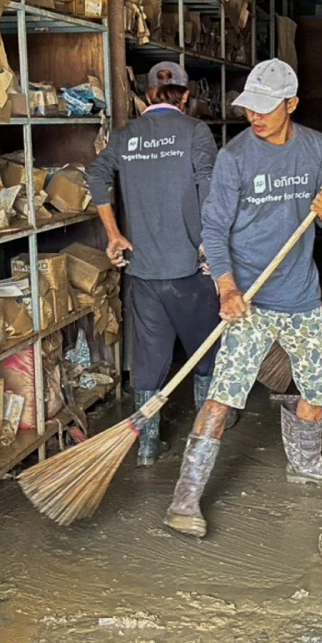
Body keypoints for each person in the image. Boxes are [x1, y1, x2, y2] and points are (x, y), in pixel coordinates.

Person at [164, 59, 322, 539]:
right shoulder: (235, 157)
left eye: (266, 108)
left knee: (318, 388)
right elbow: (213, 229)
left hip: (300, 294)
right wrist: (227, 287)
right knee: (224, 395)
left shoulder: (316, 148)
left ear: (291, 104)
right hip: (248, 297)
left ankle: (306, 464)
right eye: (250, 107)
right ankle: (185, 497)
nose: (255, 116)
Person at [87, 62, 225, 466]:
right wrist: (209, 245)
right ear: (187, 96)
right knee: (205, 351)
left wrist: (114, 234)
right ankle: (204, 437)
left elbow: (95, 176)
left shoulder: (125, 135)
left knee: (149, 359)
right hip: (189, 267)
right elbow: (208, 186)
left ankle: (147, 446)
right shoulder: (196, 132)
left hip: (143, 269)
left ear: (146, 95)